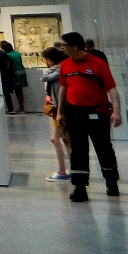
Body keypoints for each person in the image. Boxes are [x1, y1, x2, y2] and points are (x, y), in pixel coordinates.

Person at [57, 32, 121, 202]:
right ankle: (79, 187)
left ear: (74, 46)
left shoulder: (97, 63)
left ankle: (111, 182)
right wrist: (60, 112)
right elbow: (63, 88)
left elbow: (111, 88)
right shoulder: (65, 65)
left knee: (103, 147)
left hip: (97, 112)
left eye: (63, 45)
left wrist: (116, 111)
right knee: (78, 149)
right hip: (74, 113)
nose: (61, 48)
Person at [40, 46, 70, 182]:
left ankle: (63, 171)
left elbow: (45, 78)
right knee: (66, 139)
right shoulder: (62, 69)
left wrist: (59, 111)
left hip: (61, 110)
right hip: (61, 109)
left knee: (56, 139)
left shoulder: (59, 70)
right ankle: (72, 170)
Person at [2, 41, 27, 114]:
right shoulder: (17, 53)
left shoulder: (7, 55)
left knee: (17, 91)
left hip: (14, 73)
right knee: (20, 91)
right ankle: (22, 107)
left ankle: (20, 108)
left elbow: (8, 65)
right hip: (22, 71)